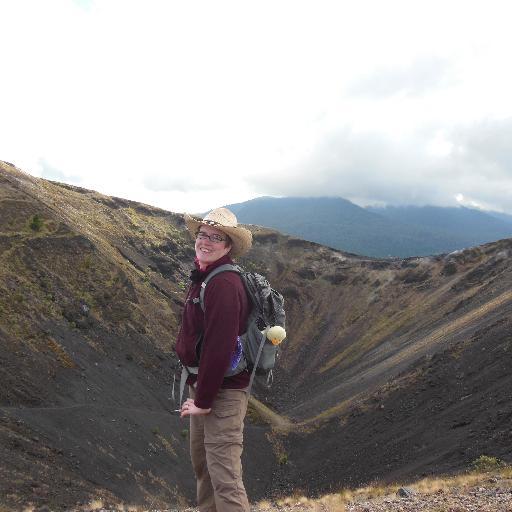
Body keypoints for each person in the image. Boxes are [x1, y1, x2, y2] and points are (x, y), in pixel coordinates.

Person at [175, 207, 253, 512]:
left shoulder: (223, 284)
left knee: (224, 475)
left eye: (215, 238)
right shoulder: (204, 274)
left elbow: (219, 348)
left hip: (222, 393)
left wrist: (204, 401)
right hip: (204, 387)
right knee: (204, 467)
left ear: (228, 246)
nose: (205, 242)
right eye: (202, 235)